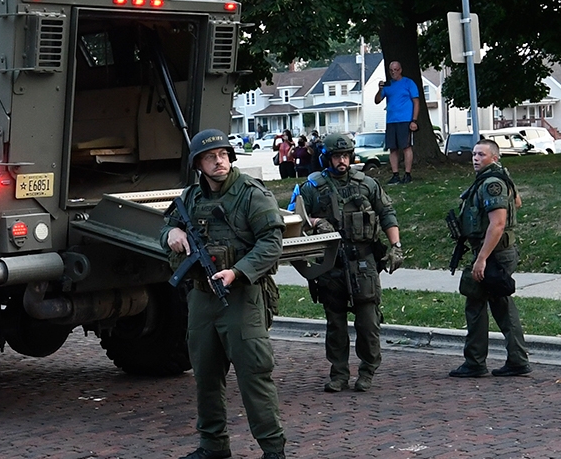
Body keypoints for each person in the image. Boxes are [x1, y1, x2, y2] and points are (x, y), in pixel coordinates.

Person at [161, 129, 287, 459]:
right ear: (198, 164)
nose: (219, 162)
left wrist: (238, 271)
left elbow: (272, 243)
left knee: (254, 375)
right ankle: (213, 445)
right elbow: (166, 226)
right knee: (205, 375)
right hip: (202, 298)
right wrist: (172, 233)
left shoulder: (251, 194)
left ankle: (273, 450)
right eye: (210, 157)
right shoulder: (191, 197)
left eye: (223, 155)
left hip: (241, 298)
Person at [288, 133, 403, 393]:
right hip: (331, 263)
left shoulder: (367, 184)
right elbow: (295, 216)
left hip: (363, 262)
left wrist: (396, 247)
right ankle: (339, 373)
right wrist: (316, 222)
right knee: (335, 324)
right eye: (337, 156)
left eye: (346, 156)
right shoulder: (311, 187)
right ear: (326, 158)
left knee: (368, 322)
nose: (342, 161)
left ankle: (367, 370)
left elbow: (387, 213)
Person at [448, 139, 531, 378]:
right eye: (474, 154)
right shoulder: (497, 177)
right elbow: (517, 201)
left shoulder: (493, 182)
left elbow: (498, 224)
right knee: (501, 305)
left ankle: (475, 362)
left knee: (476, 303)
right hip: (497, 252)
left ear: (494, 157)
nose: (475, 158)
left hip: (495, 254)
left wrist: (482, 259)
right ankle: (517, 360)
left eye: (481, 155)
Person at [373, 61, 420, 185]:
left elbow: (416, 102)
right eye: (391, 70)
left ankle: (407, 174)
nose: (393, 72)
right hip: (391, 120)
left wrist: (414, 120)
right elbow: (377, 100)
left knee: (406, 146)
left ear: (400, 70)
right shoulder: (388, 85)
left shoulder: (408, 83)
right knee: (392, 148)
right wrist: (380, 89)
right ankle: (395, 175)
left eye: (396, 69)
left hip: (405, 120)